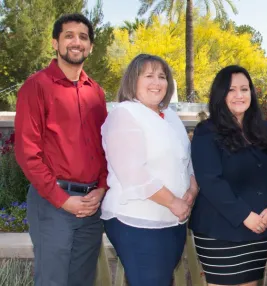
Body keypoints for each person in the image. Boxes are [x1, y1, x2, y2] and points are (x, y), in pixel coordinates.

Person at [13, 14, 107, 286]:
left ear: (90, 46)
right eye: (69, 36)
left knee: (82, 281)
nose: (76, 42)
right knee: (53, 281)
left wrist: (101, 189)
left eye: (83, 37)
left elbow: (103, 148)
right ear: (55, 43)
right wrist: (63, 200)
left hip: (91, 205)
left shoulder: (96, 93)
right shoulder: (36, 87)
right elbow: (27, 153)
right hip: (53, 204)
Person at [99, 54, 196, 286]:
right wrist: (174, 202)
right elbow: (133, 173)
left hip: (173, 221)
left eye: (162, 76)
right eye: (149, 76)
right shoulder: (124, 114)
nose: (157, 82)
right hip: (137, 222)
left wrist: (192, 189)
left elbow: (186, 160)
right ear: (133, 80)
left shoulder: (170, 116)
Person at [190, 65, 267, 286]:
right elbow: (210, 181)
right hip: (221, 231)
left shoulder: (264, 128)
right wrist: (245, 216)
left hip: (259, 229)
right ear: (220, 94)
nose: (239, 95)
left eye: (244, 89)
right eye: (232, 90)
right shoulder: (207, 131)